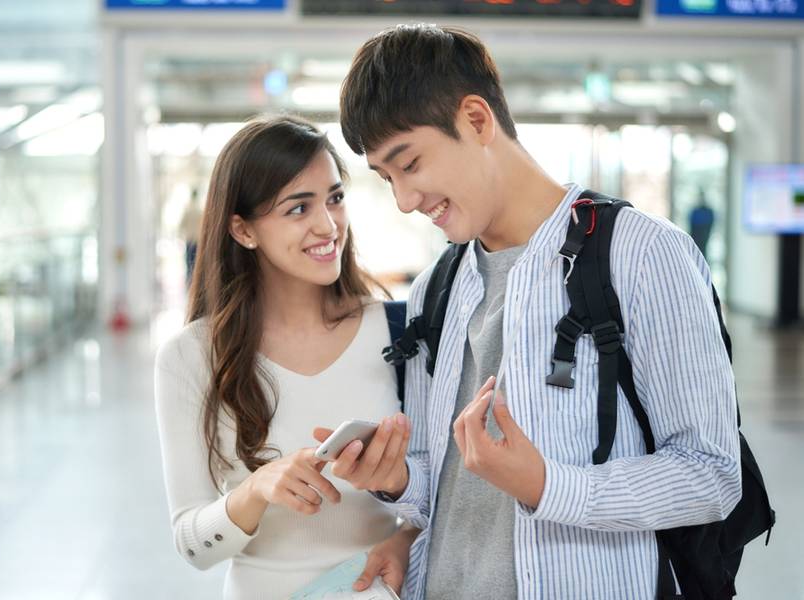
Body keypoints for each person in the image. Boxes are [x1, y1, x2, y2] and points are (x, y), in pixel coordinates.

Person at [322, 25, 742, 599]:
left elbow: (711, 473)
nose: (404, 200)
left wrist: (550, 487)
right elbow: (439, 482)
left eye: (411, 163)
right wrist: (395, 479)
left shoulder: (641, 255)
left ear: (476, 119)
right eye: (387, 177)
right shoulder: (435, 290)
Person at [154, 115, 416, 599]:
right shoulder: (190, 356)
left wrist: (406, 536)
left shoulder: (398, 331)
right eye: (298, 208)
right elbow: (193, 545)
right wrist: (255, 491)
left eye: (335, 198)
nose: (327, 225)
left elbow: (448, 491)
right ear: (243, 230)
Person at [179, 186, 204, 287]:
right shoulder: (200, 210)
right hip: (197, 240)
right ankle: (196, 282)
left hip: (189, 240)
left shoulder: (188, 210)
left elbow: (182, 225)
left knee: (188, 262)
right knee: (196, 262)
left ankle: (189, 283)